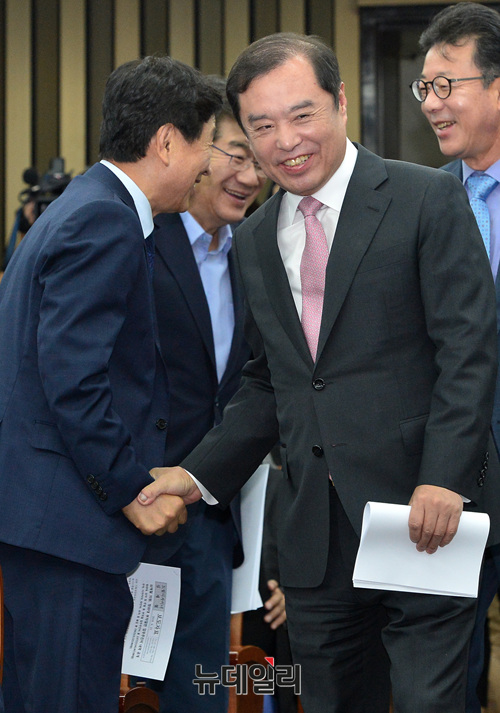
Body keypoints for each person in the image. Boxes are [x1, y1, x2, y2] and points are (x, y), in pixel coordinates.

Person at [137, 33, 500, 712]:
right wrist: (194, 475)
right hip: (313, 539)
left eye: (301, 115)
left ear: (339, 102)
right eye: (261, 126)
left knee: (426, 701)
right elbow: (268, 381)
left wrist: (445, 477)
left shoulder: (425, 198)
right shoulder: (253, 238)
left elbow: (468, 351)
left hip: (423, 516)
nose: (285, 141)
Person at [0, 55, 221, 713]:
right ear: (167, 142)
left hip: (48, 524)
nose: (208, 164)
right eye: (207, 144)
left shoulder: (84, 205)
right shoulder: (106, 219)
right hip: (71, 529)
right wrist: (129, 489)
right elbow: (74, 380)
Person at [139, 76, 282, 713]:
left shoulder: (259, 252)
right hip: (137, 510)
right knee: (120, 688)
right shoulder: (141, 241)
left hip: (215, 518)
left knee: (203, 687)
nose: (252, 177)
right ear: (197, 151)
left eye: (261, 162)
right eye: (237, 155)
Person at [413, 5, 500, 711]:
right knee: (447, 677)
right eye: (425, 88)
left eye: (447, 86)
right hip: (455, 485)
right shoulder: (423, 202)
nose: (432, 104)